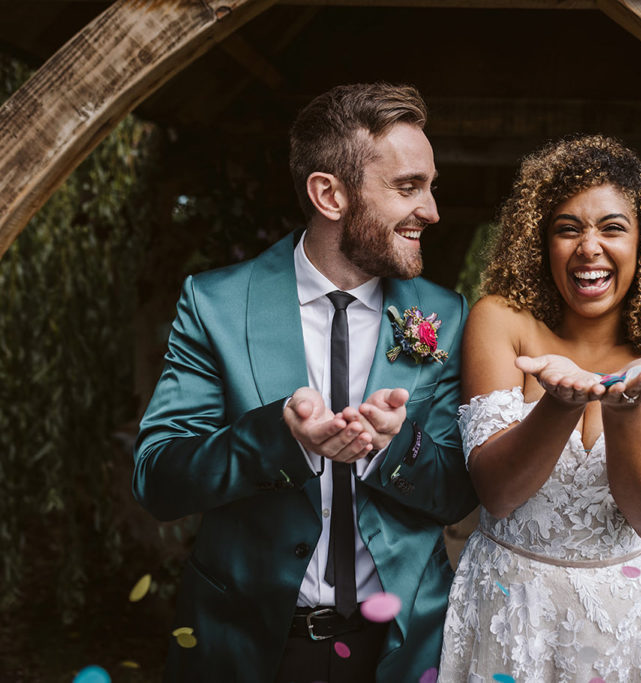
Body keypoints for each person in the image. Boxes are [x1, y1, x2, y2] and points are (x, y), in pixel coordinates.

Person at [133, 83, 477, 683]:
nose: (432, 210)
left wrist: (393, 446)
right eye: (407, 187)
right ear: (329, 194)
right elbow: (158, 479)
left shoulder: (443, 313)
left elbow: (458, 493)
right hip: (249, 647)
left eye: (430, 186)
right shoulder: (216, 305)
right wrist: (278, 439)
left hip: (401, 648)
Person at [438, 135, 641, 681]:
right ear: (540, 243)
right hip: (511, 613)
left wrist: (626, 411)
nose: (589, 247)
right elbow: (497, 493)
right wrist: (559, 406)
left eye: (612, 228)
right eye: (568, 229)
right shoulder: (501, 321)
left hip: (631, 624)